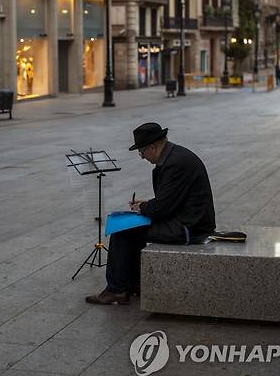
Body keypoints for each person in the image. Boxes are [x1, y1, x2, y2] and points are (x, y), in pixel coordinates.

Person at [85, 123, 216, 305]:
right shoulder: (175, 156)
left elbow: (163, 208)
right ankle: (134, 283)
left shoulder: (175, 164)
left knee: (122, 230)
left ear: (153, 147)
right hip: (185, 219)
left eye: (141, 152)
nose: (142, 157)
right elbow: (169, 200)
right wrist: (146, 205)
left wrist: (143, 208)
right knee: (131, 227)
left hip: (189, 227)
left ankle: (117, 290)